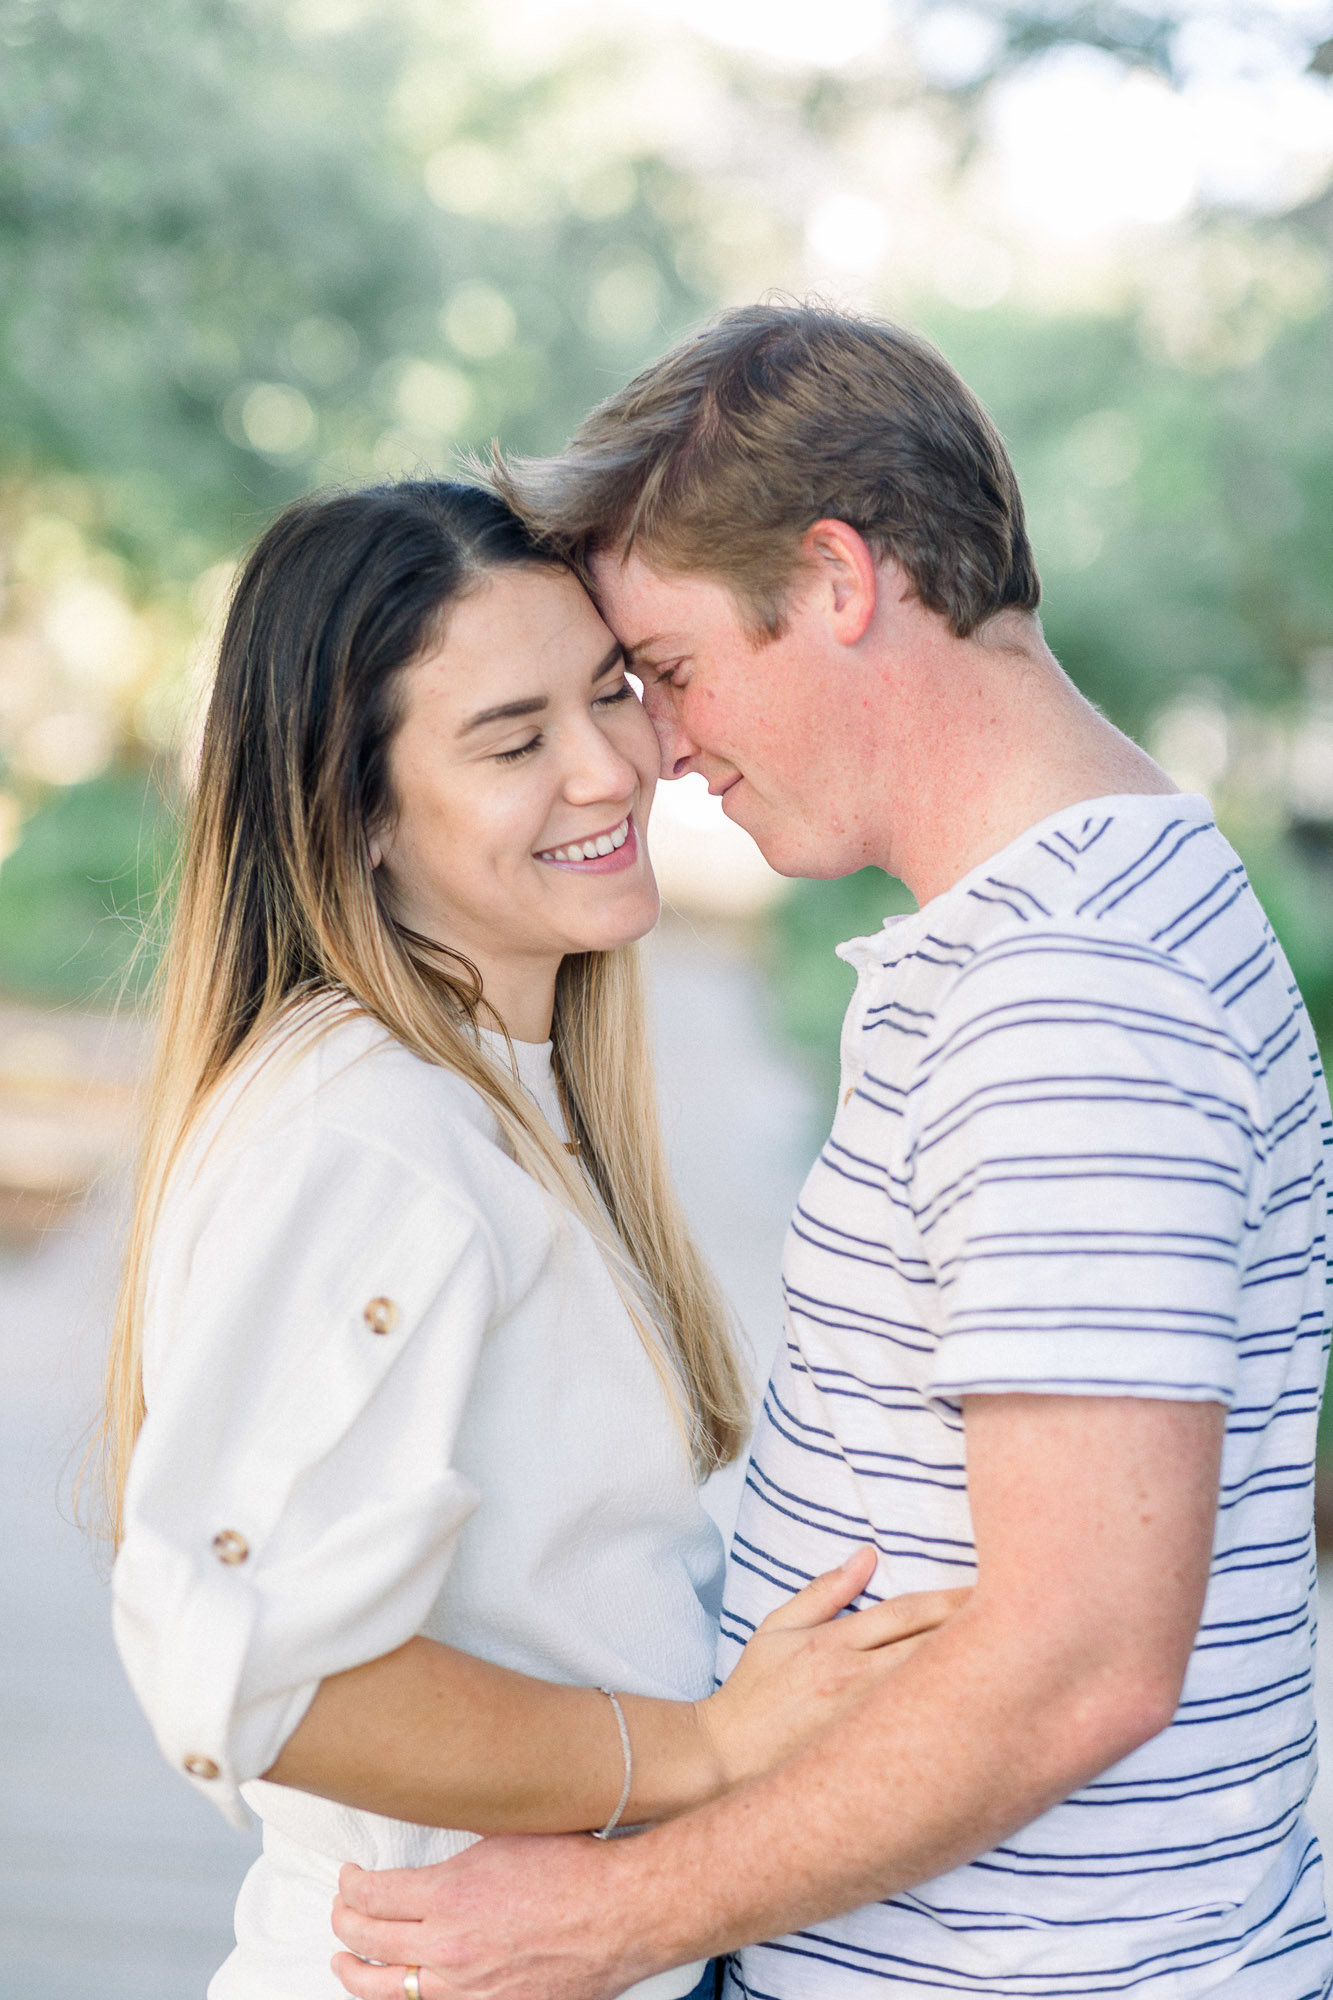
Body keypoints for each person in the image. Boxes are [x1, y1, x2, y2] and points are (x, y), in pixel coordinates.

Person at [329, 306, 1333, 2000]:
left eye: (671, 667)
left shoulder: (1066, 1002)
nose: (657, 743)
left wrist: (618, 1916)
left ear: (841, 581)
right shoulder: (1106, 903)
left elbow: (1080, 1663)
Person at [102, 478, 964, 2000]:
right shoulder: (371, 1139)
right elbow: (253, 1669)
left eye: (611, 692)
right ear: (355, 812)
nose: (611, 766)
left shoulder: (491, 1093)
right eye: (513, 740)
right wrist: (698, 1750)